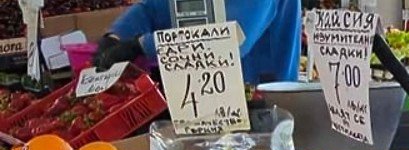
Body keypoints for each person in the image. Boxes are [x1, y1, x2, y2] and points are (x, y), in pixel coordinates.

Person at [93, 0, 301, 84]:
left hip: (261, 101)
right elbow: (155, 8)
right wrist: (116, 36)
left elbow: (230, 39)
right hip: (203, 95)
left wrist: (141, 45)